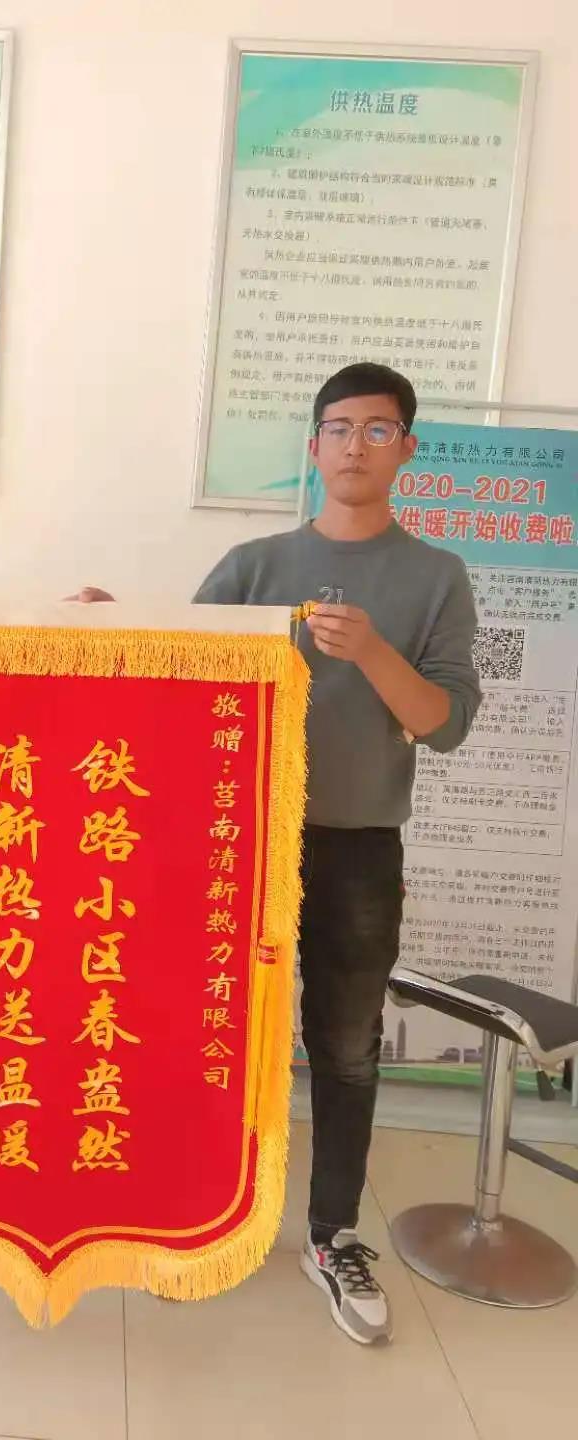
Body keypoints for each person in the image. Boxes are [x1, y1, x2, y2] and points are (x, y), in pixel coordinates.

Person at [194, 362, 481, 1344]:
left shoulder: (435, 576)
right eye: (340, 428)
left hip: (359, 844)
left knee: (347, 1047)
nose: (357, 445)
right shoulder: (252, 564)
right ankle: (202, 1217)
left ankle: (331, 1235)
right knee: (218, 1034)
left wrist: (370, 652)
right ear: (314, 447)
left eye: (378, 429)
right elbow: (176, 675)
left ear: (408, 449)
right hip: (235, 840)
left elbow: (444, 723)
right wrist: (95, 623)